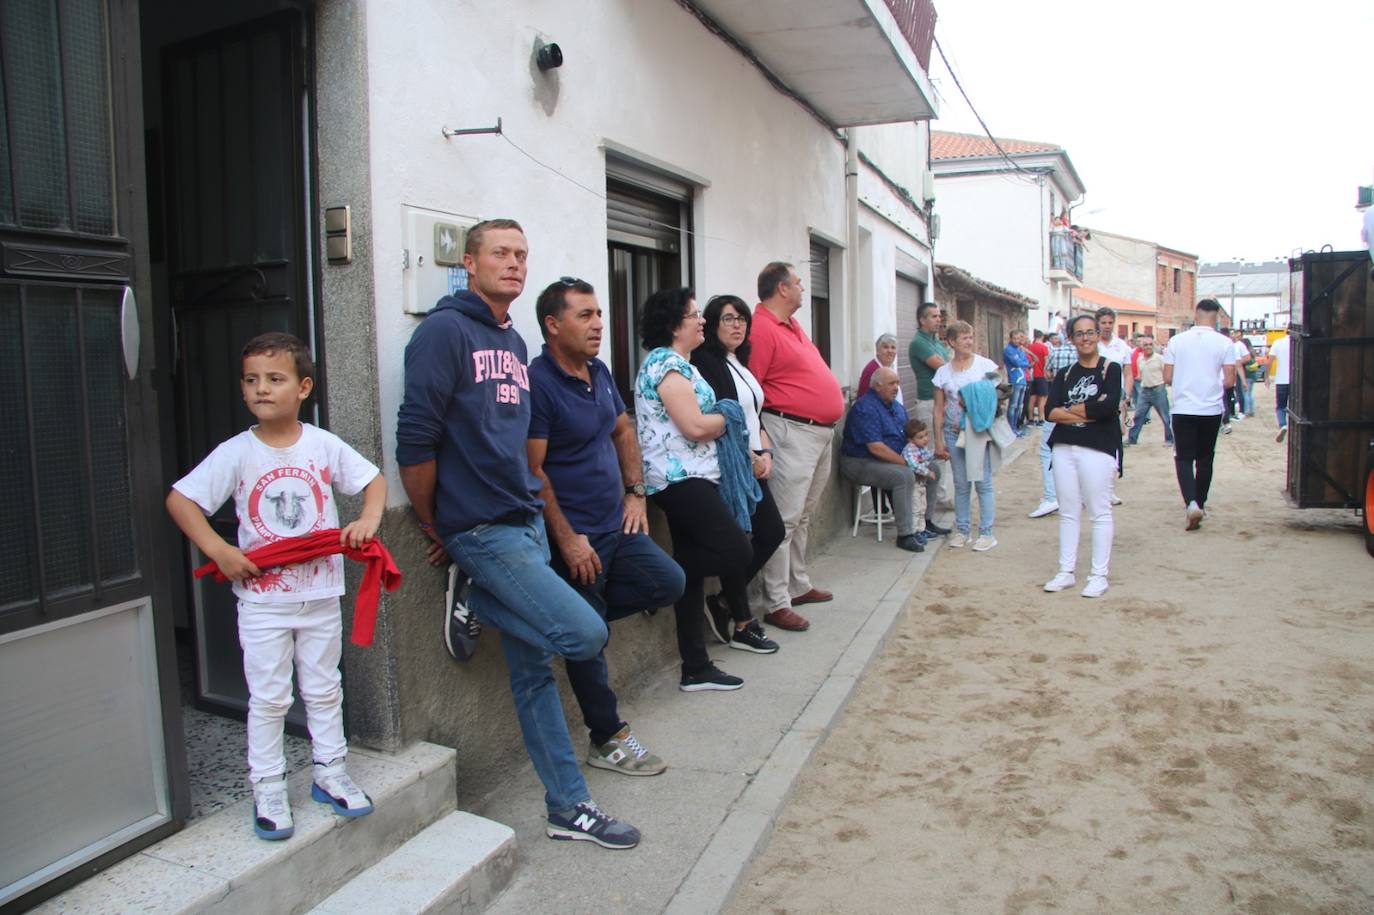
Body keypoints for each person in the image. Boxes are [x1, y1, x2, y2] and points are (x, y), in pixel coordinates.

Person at [396, 219, 640, 850]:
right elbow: (415, 440)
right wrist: (434, 525)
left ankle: (569, 807)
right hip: (480, 528)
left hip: (524, 517)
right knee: (584, 632)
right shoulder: (443, 333)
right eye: (499, 253)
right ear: (469, 264)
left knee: (533, 675)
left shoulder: (510, 339)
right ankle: (473, 595)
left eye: (522, 254)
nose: (513, 263)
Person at [166, 332, 385, 841]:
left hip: (321, 593)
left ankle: (330, 773)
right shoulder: (236, 453)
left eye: (275, 378)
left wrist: (368, 521)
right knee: (269, 698)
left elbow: (373, 481)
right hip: (264, 603)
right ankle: (267, 785)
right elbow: (181, 501)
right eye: (251, 380)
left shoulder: (323, 445)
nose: (261, 388)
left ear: (303, 386)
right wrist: (219, 551)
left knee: (324, 688)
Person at [526, 277, 686, 777]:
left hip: (616, 525)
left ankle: (567, 623)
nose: (598, 324)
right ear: (553, 325)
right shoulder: (539, 383)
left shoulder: (597, 370)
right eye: (584, 315)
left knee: (668, 582)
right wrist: (567, 538)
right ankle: (606, 736)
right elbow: (533, 471)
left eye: (598, 314)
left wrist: (634, 491)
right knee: (590, 639)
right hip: (578, 538)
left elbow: (622, 428)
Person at [636, 287, 760, 689]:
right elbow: (692, 425)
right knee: (736, 550)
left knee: (692, 574)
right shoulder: (665, 363)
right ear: (674, 325)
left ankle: (695, 667)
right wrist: (727, 416)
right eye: (694, 314)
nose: (701, 320)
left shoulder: (681, 364)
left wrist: (717, 417)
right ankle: (657, 580)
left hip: (695, 476)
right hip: (680, 479)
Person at [750, 262, 846, 628]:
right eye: (799, 283)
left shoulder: (790, 325)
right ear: (782, 289)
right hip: (790, 432)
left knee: (802, 515)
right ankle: (775, 602)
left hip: (818, 432)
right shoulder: (760, 328)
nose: (804, 289)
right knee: (785, 520)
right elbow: (753, 389)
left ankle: (797, 584)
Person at [691, 293, 791, 643]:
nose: (737, 325)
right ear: (712, 324)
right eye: (728, 319)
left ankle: (723, 603)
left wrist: (766, 453)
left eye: (742, 319)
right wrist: (751, 458)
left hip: (753, 462)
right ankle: (741, 619)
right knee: (749, 538)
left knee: (769, 533)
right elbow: (723, 419)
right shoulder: (707, 362)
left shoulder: (740, 362)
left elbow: (754, 416)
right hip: (732, 465)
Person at [1042, 315, 1122, 598]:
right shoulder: (1064, 373)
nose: (1086, 338)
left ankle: (1099, 575)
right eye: (1079, 333)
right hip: (1064, 446)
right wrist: (1087, 411)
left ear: (1098, 335)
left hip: (1098, 447)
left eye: (1091, 332)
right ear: (1071, 338)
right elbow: (1049, 410)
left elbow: (1108, 407)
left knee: (1099, 512)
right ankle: (1066, 571)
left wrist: (1071, 409)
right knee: (1068, 511)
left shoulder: (1110, 369)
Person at [1163, 298, 1236, 531]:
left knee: (1183, 457)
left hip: (1183, 407)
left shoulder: (1176, 341)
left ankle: (1191, 503)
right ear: (1217, 317)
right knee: (1205, 458)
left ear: (1196, 314)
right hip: (1210, 408)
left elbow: (1166, 377)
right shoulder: (1224, 343)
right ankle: (1201, 503)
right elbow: (1230, 380)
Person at [839, 367, 926, 553]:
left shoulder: (897, 406)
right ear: (878, 386)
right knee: (904, 476)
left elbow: (910, 437)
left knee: (933, 467)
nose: (896, 387)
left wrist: (921, 459)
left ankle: (924, 524)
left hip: (888, 460)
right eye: (891, 383)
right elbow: (876, 448)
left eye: (897, 383)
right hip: (859, 462)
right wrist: (909, 464)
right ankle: (905, 534)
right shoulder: (865, 407)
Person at [932, 320, 1001, 550]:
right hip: (953, 433)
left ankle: (986, 532)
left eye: (970, 337)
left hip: (978, 432)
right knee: (961, 484)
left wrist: (973, 397)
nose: (969, 341)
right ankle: (962, 530)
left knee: (983, 482)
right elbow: (938, 409)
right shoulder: (942, 372)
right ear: (952, 342)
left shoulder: (984, 365)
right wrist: (938, 440)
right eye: (964, 338)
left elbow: (999, 393)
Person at [906, 301, 953, 535]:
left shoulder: (936, 341)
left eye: (939, 316)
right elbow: (944, 368)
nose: (938, 319)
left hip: (942, 400)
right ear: (921, 320)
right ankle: (931, 509)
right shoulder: (919, 343)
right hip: (928, 402)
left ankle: (940, 499)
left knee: (942, 452)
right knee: (933, 452)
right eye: (933, 316)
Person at [1029, 331, 1078, 519]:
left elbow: (1048, 373)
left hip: (1057, 405)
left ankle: (1051, 496)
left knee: (1047, 450)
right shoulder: (1086, 355)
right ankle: (1074, 495)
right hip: (1079, 408)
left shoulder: (1055, 353)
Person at [1127, 337, 1173, 446]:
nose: (1148, 347)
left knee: (1165, 417)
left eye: (1150, 344)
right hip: (1144, 391)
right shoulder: (1139, 360)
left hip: (1158, 390)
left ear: (1153, 346)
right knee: (1138, 416)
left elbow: (1166, 373)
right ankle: (1132, 439)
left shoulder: (1160, 359)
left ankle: (1170, 440)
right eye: (1145, 345)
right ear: (1142, 347)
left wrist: (1164, 384)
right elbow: (1140, 375)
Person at [901, 418, 937, 540]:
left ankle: (921, 530)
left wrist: (936, 455)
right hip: (914, 484)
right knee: (915, 509)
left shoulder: (920, 448)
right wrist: (927, 472)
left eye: (926, 435)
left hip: (921, 483)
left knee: (922, 507)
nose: (925, 439)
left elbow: (927, 457)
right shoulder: (910, 448)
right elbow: (913, 465)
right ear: (911, 439)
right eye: (920, 437)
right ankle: (913, 532)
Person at [857, 333, 903, 402]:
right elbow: (865, 400)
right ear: (877, 350)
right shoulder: (872, 370)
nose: (890, 351)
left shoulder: (890, 367)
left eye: (893, 347)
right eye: (885, 347)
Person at [1002, 330, 1031, 436]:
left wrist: (1023, 363)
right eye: (1015, 338)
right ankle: (1011, 428)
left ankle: (1016, 427)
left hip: (1022, 379)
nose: (1017, 340)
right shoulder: (1009, 350)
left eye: (1018, 338)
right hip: (1015, 380)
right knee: (1013, 405)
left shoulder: (1019, 349)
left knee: (1019, 406)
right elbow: (1018, 363)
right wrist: (1022, 363)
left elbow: (1026, 363)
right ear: (1010, 339)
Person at [1270, 330, 1292, 442]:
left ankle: (1283, 425)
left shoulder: (1278, 342)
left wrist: (1266, 377)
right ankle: (1294, 429)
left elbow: (1270, 360)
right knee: (1295, 408)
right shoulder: (1297, 342)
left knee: (1280, 406)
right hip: (1296, 380)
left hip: (1281, 380)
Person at [1027, 329, 1051, 424]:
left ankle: (1030, 418)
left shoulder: (1029, 347)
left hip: (1032, 375)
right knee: (1042, 398)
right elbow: (1046, 361)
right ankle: (1041, 418)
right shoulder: (1044, 347)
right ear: (1042, 337)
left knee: (1032, 398)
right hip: (1041, 375)